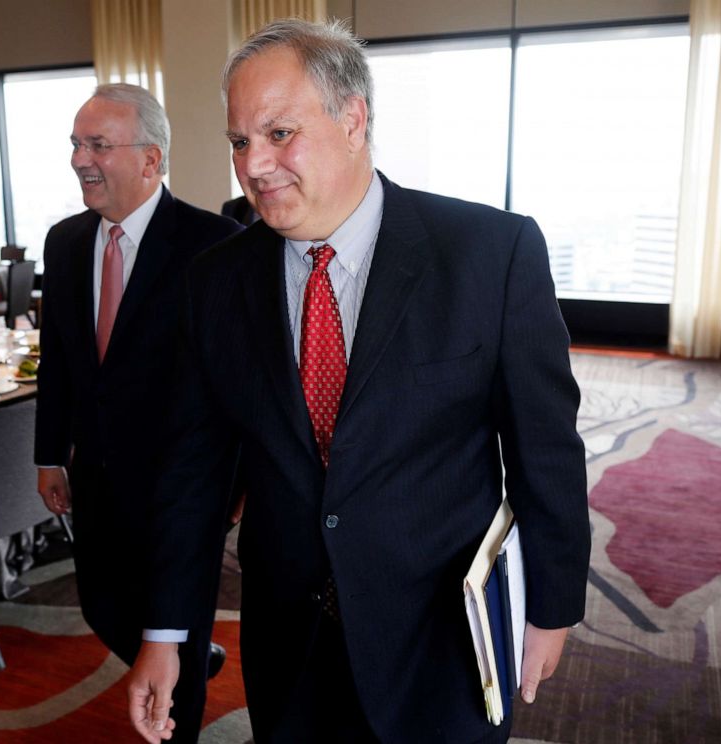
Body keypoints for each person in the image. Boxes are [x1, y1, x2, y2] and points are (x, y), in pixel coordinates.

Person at [127, 19, 591, 744]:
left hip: (441, 638)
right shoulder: (214, 282)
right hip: (289, 636)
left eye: (279, 133)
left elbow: (547, 453)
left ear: (353, 119)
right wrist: (163, 632)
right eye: (240, 142)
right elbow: (194, 473)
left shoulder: (488, 254)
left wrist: (551, 607)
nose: (254, 165)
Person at [34, 83, 242, 743]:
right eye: (75, 143)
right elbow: (58, 358)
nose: (79, 158)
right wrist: (48, 453)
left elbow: (234, 381)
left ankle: (173, 723)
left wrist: (237, 483)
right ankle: (185, 658)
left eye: (98, 144)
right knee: (102, 606)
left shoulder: (215, 244)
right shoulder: (65, 242)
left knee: (174, 613)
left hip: (183, 481)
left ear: (151, 161)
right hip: (93, 471)